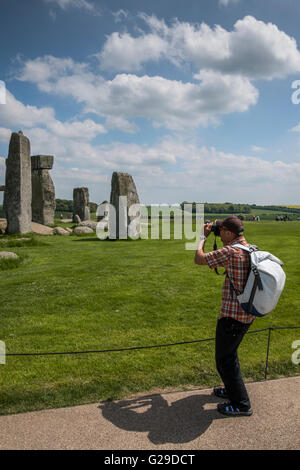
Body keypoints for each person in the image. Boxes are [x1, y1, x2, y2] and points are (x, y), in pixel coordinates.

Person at [194, 216, 255, 417]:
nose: (219, 236)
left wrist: (202, 237)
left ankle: (241, 404)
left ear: (229, 232)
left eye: (221, 233)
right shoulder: (250, 248)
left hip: (232, 316)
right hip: (246, 313)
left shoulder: (230, 251)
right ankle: (231, 391)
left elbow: (199, 259)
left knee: (225, 360)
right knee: (230, 356)